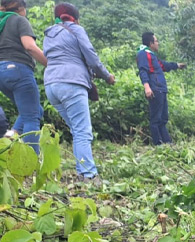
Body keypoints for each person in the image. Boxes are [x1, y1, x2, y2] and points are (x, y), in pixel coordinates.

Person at [43, 2, 115, 183]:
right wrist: (107, 76)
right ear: (75, 18)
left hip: (51, 85)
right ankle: (89, 175)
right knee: (82, 132)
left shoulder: (49, 34)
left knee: (77, 130)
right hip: (71, 83)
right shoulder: (75, 29)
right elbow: (91, 56)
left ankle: (81, 171)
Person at [0, 0, 47, 154]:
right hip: (18, 70)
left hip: (2, 73)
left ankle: (9, 136)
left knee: (34, 110)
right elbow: (29, 46)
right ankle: (32, 162)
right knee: (31, 118)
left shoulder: (1, 22)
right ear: (21, 8)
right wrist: (51, 64)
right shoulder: (19, 20)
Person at [137, 32, 186, 145]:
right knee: (156, 119)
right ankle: (158, 144)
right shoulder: (143, 54)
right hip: (155, 89)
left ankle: (167, 143)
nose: (158, 43)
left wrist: (177, 65)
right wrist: (147, 87)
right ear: (151, 43)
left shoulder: (151, 55)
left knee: (163, 118)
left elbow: (163, 65)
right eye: (156, 41)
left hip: (161, 89)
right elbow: (143, 71)